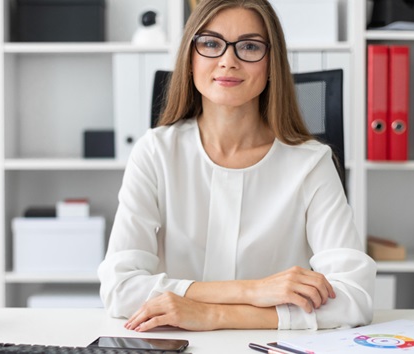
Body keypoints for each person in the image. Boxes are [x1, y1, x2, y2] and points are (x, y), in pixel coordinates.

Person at [98, 0, 376, 331]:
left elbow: (355, 296)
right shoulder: (155, 152)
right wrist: (254, 290)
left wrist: (213, 314)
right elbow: (119, 288)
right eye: (211, 44)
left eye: (249, 46)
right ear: (190, 58)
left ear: (272, 63)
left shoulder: (311, 162)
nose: (228, 61)